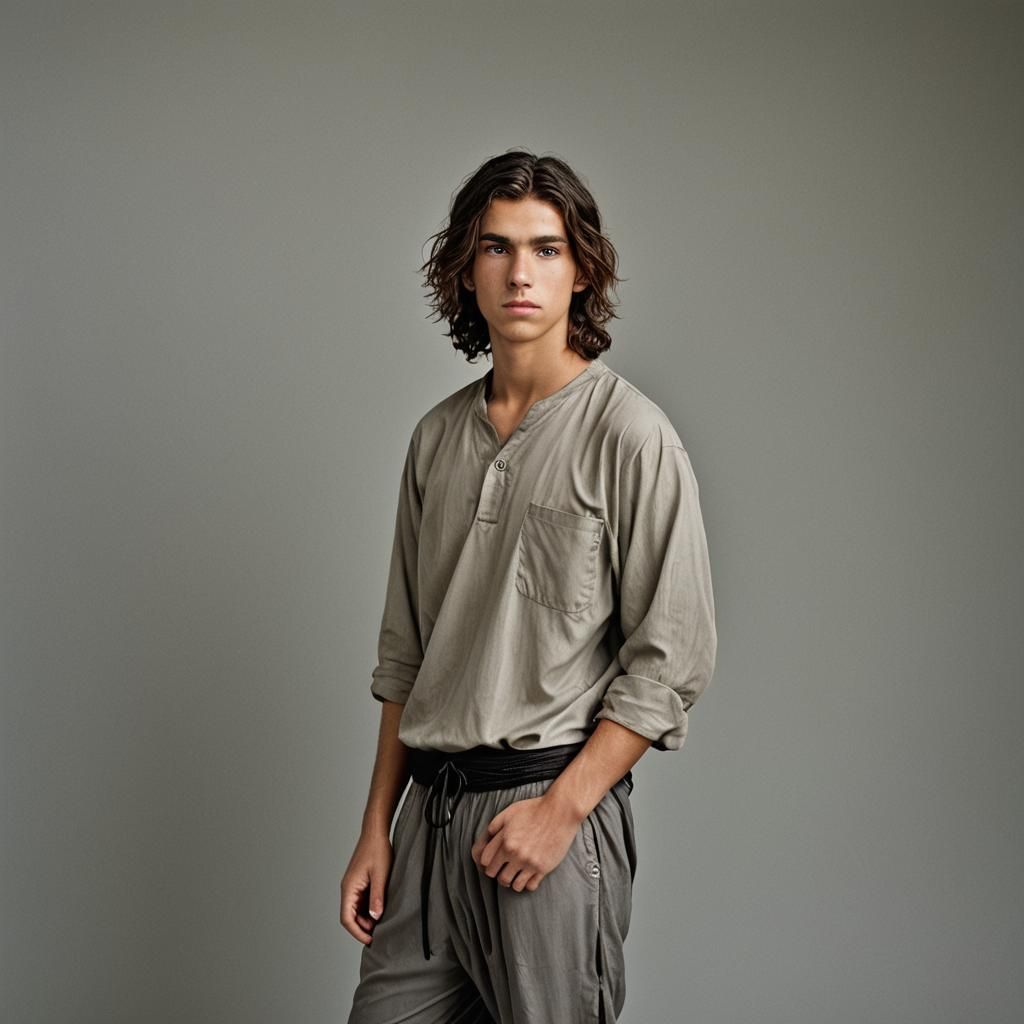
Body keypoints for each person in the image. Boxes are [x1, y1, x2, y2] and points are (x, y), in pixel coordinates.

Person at [340, 149, 718, 1024]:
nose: (521, 273)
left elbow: (672, 658)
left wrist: (561, 814)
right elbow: (406, 657)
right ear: (465, 270)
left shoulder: (632, 436)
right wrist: (375, 827)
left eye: (547, 250)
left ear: (581, 269)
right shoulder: (434, 440)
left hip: (545, 815)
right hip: (429, 823)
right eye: (497, 247)